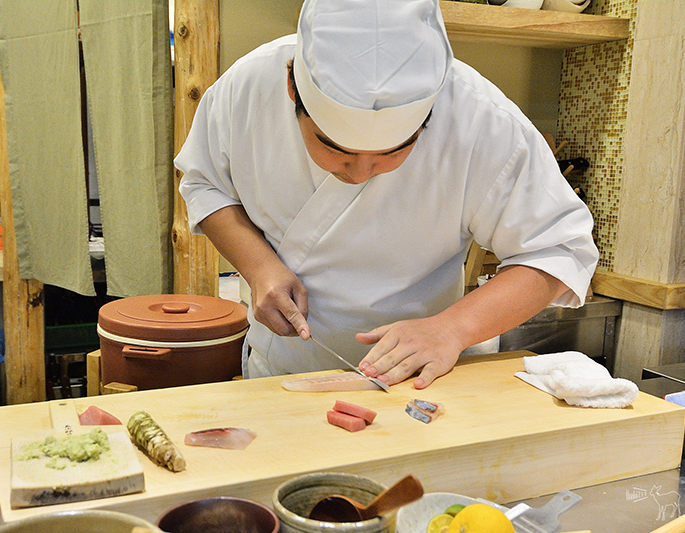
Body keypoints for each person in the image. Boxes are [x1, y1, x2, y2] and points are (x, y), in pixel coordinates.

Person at [175, 0, 599, 389]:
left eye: (395, 150)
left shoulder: (480, 119)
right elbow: (205, 182)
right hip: (282, 374)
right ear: (291, 86)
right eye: (333, 147)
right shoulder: (247, 89)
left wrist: (452, 328)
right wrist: (258, 266)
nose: (360, 173)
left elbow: (558, 250)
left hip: (423, 380)